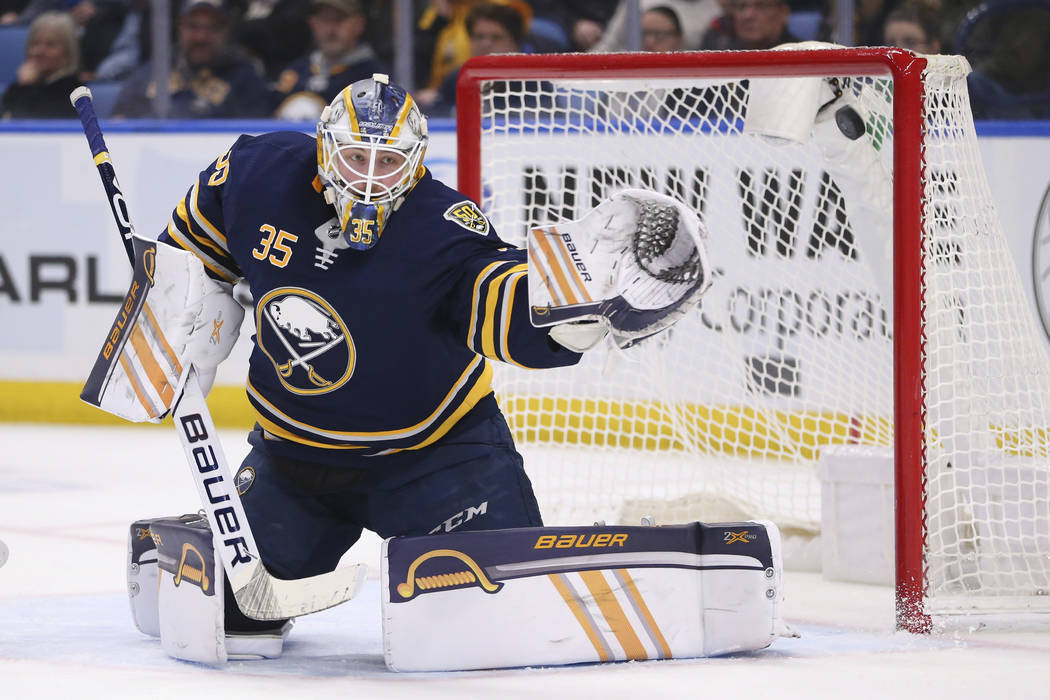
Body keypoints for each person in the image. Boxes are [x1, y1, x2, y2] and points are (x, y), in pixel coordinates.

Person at [157, 73, 589, 641]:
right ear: (324, 147)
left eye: (387, 163)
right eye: (355, 155)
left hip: (438, 459)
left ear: (417, 162)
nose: (367, 177)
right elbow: (191, 246)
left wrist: (573, 318)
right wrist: (195, 302)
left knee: (497, 621)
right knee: (223, 617)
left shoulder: (444, 227)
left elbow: (501, 303)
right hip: (292, 462)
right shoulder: (254, 172)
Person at [109, 0, 271, 118]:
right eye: (193, 26)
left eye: (212, 28)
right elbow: (120, 120)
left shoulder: (245, 76)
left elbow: (254, 136)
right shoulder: (155, 69)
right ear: (180, 26)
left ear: (225, 31)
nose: (201, 37)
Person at [272, 0, 386, 120]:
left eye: (339, 19)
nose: (331, 29)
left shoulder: (374, 78)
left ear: (359, 23)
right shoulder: (296, 70)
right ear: (312, 23)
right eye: (324, 19)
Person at [416, 0, 526, 116]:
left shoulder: (532, 82)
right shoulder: (456, 80)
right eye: (479, 37)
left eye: (496, 37)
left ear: (515, 43)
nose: (486, 44)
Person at [0, 10, 80, 118]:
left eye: (50, 45)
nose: (38, 51)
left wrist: (26, 87)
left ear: (68, 52)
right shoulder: (19, 85)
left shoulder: (74, 91)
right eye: (35, 43)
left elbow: (30, 121)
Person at [591, 0, 719, 52]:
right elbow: (609, 44)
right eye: (645, 34)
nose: (650, 40)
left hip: (684, 87)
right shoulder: (638, 3)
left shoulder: (717, 8)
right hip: (631, 81)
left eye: (659, 35)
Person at [699, 0, 798, 50]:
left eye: (761, 6)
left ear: (784, 12)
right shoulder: (718, 50)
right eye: (741, 6)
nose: (748, 16)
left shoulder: (802, 55)